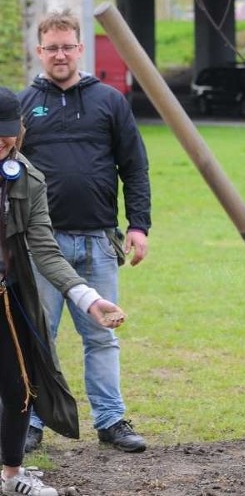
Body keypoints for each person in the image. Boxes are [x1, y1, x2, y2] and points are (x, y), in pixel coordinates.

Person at [17, 9, 151, 453]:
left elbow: (134, 167)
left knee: (102, 334)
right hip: (41, 243)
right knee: (39, 335)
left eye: (67, 46)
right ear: (40, 51)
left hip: (98, 238)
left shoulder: (109, 101)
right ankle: (32, 421)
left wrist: (138, 225)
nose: (60, 54)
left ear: (80, 48)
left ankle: (111, 421)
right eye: (51, 47)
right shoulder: (22, 106)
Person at [0, 87, 128, 496]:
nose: (2, 149)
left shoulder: (28, 179)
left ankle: (11, 475)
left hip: (8, 296)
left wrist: (88, 298)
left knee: (20, 385)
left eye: (7, 139)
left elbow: (45, 250)